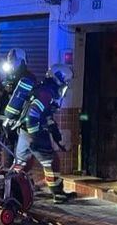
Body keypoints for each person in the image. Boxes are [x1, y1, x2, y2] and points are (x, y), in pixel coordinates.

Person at [13, 63, 74, 204]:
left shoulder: (43, 90)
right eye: (66, 81)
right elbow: (33, 115)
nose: (66, 84)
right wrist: (37, 137)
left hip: (24, 131)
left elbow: (46, 116)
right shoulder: (46, 93)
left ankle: (13, 190)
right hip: (34, 132)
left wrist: (56, 134)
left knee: (22, 164)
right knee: (52, 162)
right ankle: (58, 194)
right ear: (60, 78)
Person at [0, 48, 36, 166]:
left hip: (22, 126)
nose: (10, 63)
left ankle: (17, 181)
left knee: (21, 160)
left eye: (13, 60)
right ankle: (5, 182)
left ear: (22, 62)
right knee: (7, 158)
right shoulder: (3, 77)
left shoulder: (29, 78)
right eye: (9, 60)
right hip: (6, 127)